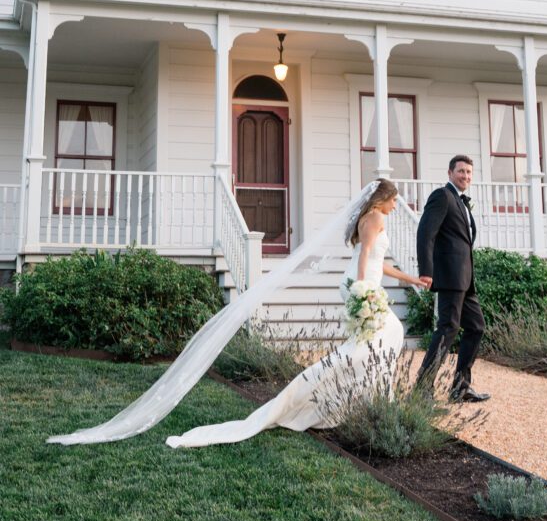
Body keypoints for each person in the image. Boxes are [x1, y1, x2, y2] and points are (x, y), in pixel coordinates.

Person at [165, 179, 430, 448]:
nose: (396, 205)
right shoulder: (374, 217)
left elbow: (378, 262)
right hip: (362, 286)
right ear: (382, 198)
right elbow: (366, 258)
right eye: (394, 200)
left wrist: (412, 279)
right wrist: (363, 289)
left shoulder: (370, 216)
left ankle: (364, 398)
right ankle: (331, 391)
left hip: (362, 284)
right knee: (383, 336)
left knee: (374, 341)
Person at [416, 155, 490, 403]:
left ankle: (460, 387)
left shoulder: (462, 202)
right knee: (447, 329)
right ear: (450, 173)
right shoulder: (442, 196)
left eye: (469, 172)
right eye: (461, 171)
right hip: (449, 276)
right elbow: (426, 233)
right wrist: (426, 270)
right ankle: (422, 389)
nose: (466, 176)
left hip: (466, 279)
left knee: (476, 327)